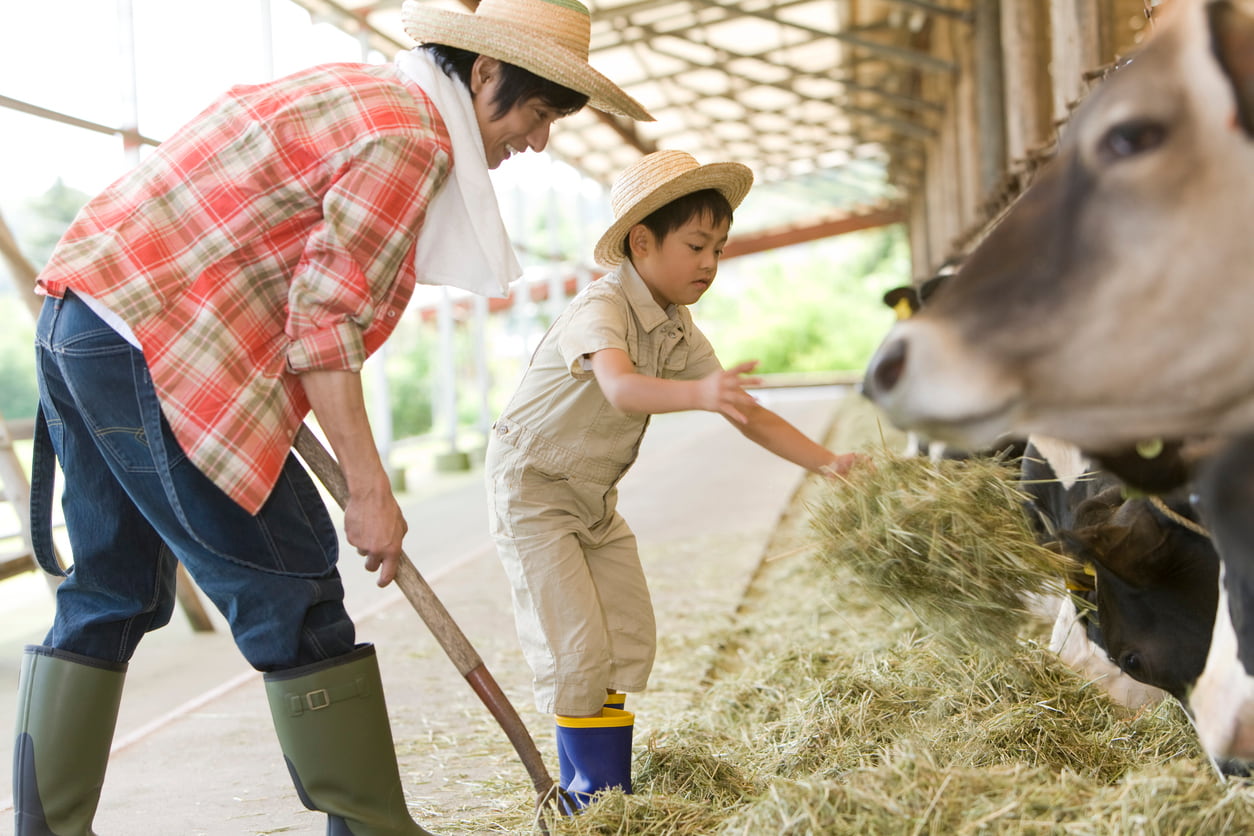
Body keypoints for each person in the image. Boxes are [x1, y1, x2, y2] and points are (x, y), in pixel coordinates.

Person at [13, 0, 651, 833]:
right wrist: (369, 490)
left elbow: (276, 269)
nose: (537, 140)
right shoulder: (412, 139)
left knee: (109, 590)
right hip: (156, 344)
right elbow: (324, 324)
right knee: (297, 585)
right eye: (536, 112)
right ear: (485, 74)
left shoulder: (358, 92)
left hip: (86, 317)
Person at [483, 149, 860, 811]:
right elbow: (622, 388)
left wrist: (829, 463)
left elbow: (746, 412)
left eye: (719, 247)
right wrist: (703, 394)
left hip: (594, 498)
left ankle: (609, 792)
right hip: (535, 491)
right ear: (642, 242)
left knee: (627, 633)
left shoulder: (676, 328)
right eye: (695, 245)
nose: (710, 263)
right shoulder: (600, 311)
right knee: (577, 645)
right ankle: (586, 799)